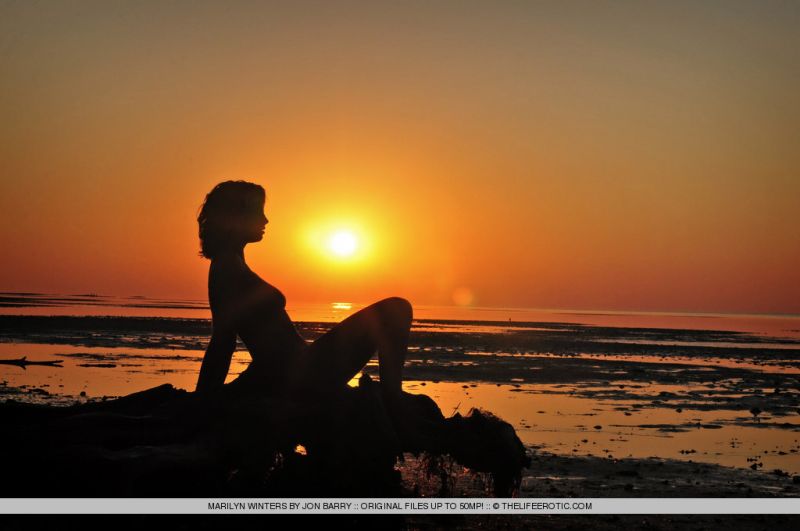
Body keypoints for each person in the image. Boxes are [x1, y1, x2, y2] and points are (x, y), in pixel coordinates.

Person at [194, 180, 414, 420]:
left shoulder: (233, 262)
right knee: (397, 309)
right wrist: (202, 401)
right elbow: (223, 339)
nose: (265, 220)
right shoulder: (227, 265)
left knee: (396, 309)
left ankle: (392, 399)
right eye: (258, 212)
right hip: (301, 374)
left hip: (299, 368)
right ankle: (394, 401)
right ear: (237, 215)